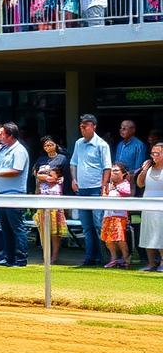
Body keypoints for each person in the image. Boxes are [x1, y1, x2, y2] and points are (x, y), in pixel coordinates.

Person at [70, 113, 112, 267]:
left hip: (96, 189)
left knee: (98, 224)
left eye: (85, 126)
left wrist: (103, 186)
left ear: (93, 126)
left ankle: (103, 258)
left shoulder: (102, 144)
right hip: (82, 189)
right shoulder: (78, 143)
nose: (82, 128)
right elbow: (73, 163)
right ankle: (89, 258)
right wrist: (74, 180)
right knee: (86, 226)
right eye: (81, 126)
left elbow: (107, 167)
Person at [0, 122, 30, 267]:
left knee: (17, 227)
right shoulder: (1, 149)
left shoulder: (19, 150)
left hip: (14, 194)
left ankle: (20, 259)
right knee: (5, 228)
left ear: (10, 135)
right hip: (1, 194)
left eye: (2, 133)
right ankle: (8, 257)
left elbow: (16, 170)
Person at [136, 142, 163, 272]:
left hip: (161, 205)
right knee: (148, 233)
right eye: (152, 153)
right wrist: (144, 170)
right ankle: (151, 263)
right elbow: (140, 184)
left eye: (157, 153)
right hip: (147, 204)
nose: (154, 156)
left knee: (160, 233)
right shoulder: (149, 168)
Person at [34, 161, 67, 265]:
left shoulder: (60, 182)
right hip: (43, 210)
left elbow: (56, 178)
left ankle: (55, 255)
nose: (48, 176)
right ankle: (46, 254)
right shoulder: (42, 184)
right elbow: (38, 177)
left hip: (55, 211)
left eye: (50, 174)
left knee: (55, 234)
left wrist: (54, 177)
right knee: (43, 233)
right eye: (47, 174)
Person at [101, 163, 133, 268]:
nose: (113, 173)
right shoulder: (108, 185)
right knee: (108, 239)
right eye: (112, 170)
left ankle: (126, 259)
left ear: (123, 173)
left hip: (120, 216)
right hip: (108, 215)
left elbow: (128, 193)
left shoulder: (125, 184)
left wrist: (115, 188)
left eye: (116, 170)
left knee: (120, 238)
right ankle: (113, 259)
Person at [115, 120, 146, 189]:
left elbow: (139, 168)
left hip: (131, 182)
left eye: (124, 128)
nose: (121, 130)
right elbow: (116, 162)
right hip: (118, 180)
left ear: (133, 130)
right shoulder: (120, 144)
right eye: (120, 128)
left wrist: (127, 172)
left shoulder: (139, 145)